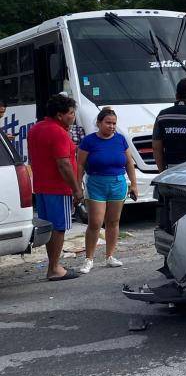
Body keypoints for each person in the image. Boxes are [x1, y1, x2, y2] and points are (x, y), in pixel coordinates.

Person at [27, 94, 83, 281]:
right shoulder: (57, 132)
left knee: (50, 228)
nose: (73, 116)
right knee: (59, 228)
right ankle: (54, 268)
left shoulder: (35, 129)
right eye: (71, 113)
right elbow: (64, 164)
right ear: (60, 115)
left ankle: (54, 265)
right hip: (58, 188)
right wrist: (76, 189)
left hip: (42, 187)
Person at [76, 108, 139, 274]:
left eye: (114, 123)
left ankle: (110, 256)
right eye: (108, 123)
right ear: (99, 123)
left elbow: (129, 163)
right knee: (95, 222)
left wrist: (134, 184)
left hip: (118, 183)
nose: (111, 126)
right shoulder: (89, 141)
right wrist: (78, 186)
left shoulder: (120, 139)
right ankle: (89, 259)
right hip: (96, 183)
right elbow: (80, 164)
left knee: (113, 221)